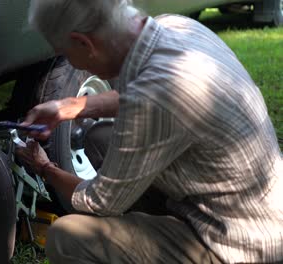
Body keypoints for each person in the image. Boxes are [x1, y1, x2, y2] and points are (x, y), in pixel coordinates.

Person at [15, 0, 283, 263]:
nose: (73, 64)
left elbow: (99, 202)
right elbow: (144, 97)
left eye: (66, 53)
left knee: (67, 237)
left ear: (85, 43)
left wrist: (44, 167)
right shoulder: (177, 27)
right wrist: (71, 106)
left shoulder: (162, 92)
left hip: (239, 245)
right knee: (100, 140)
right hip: (255, 213)